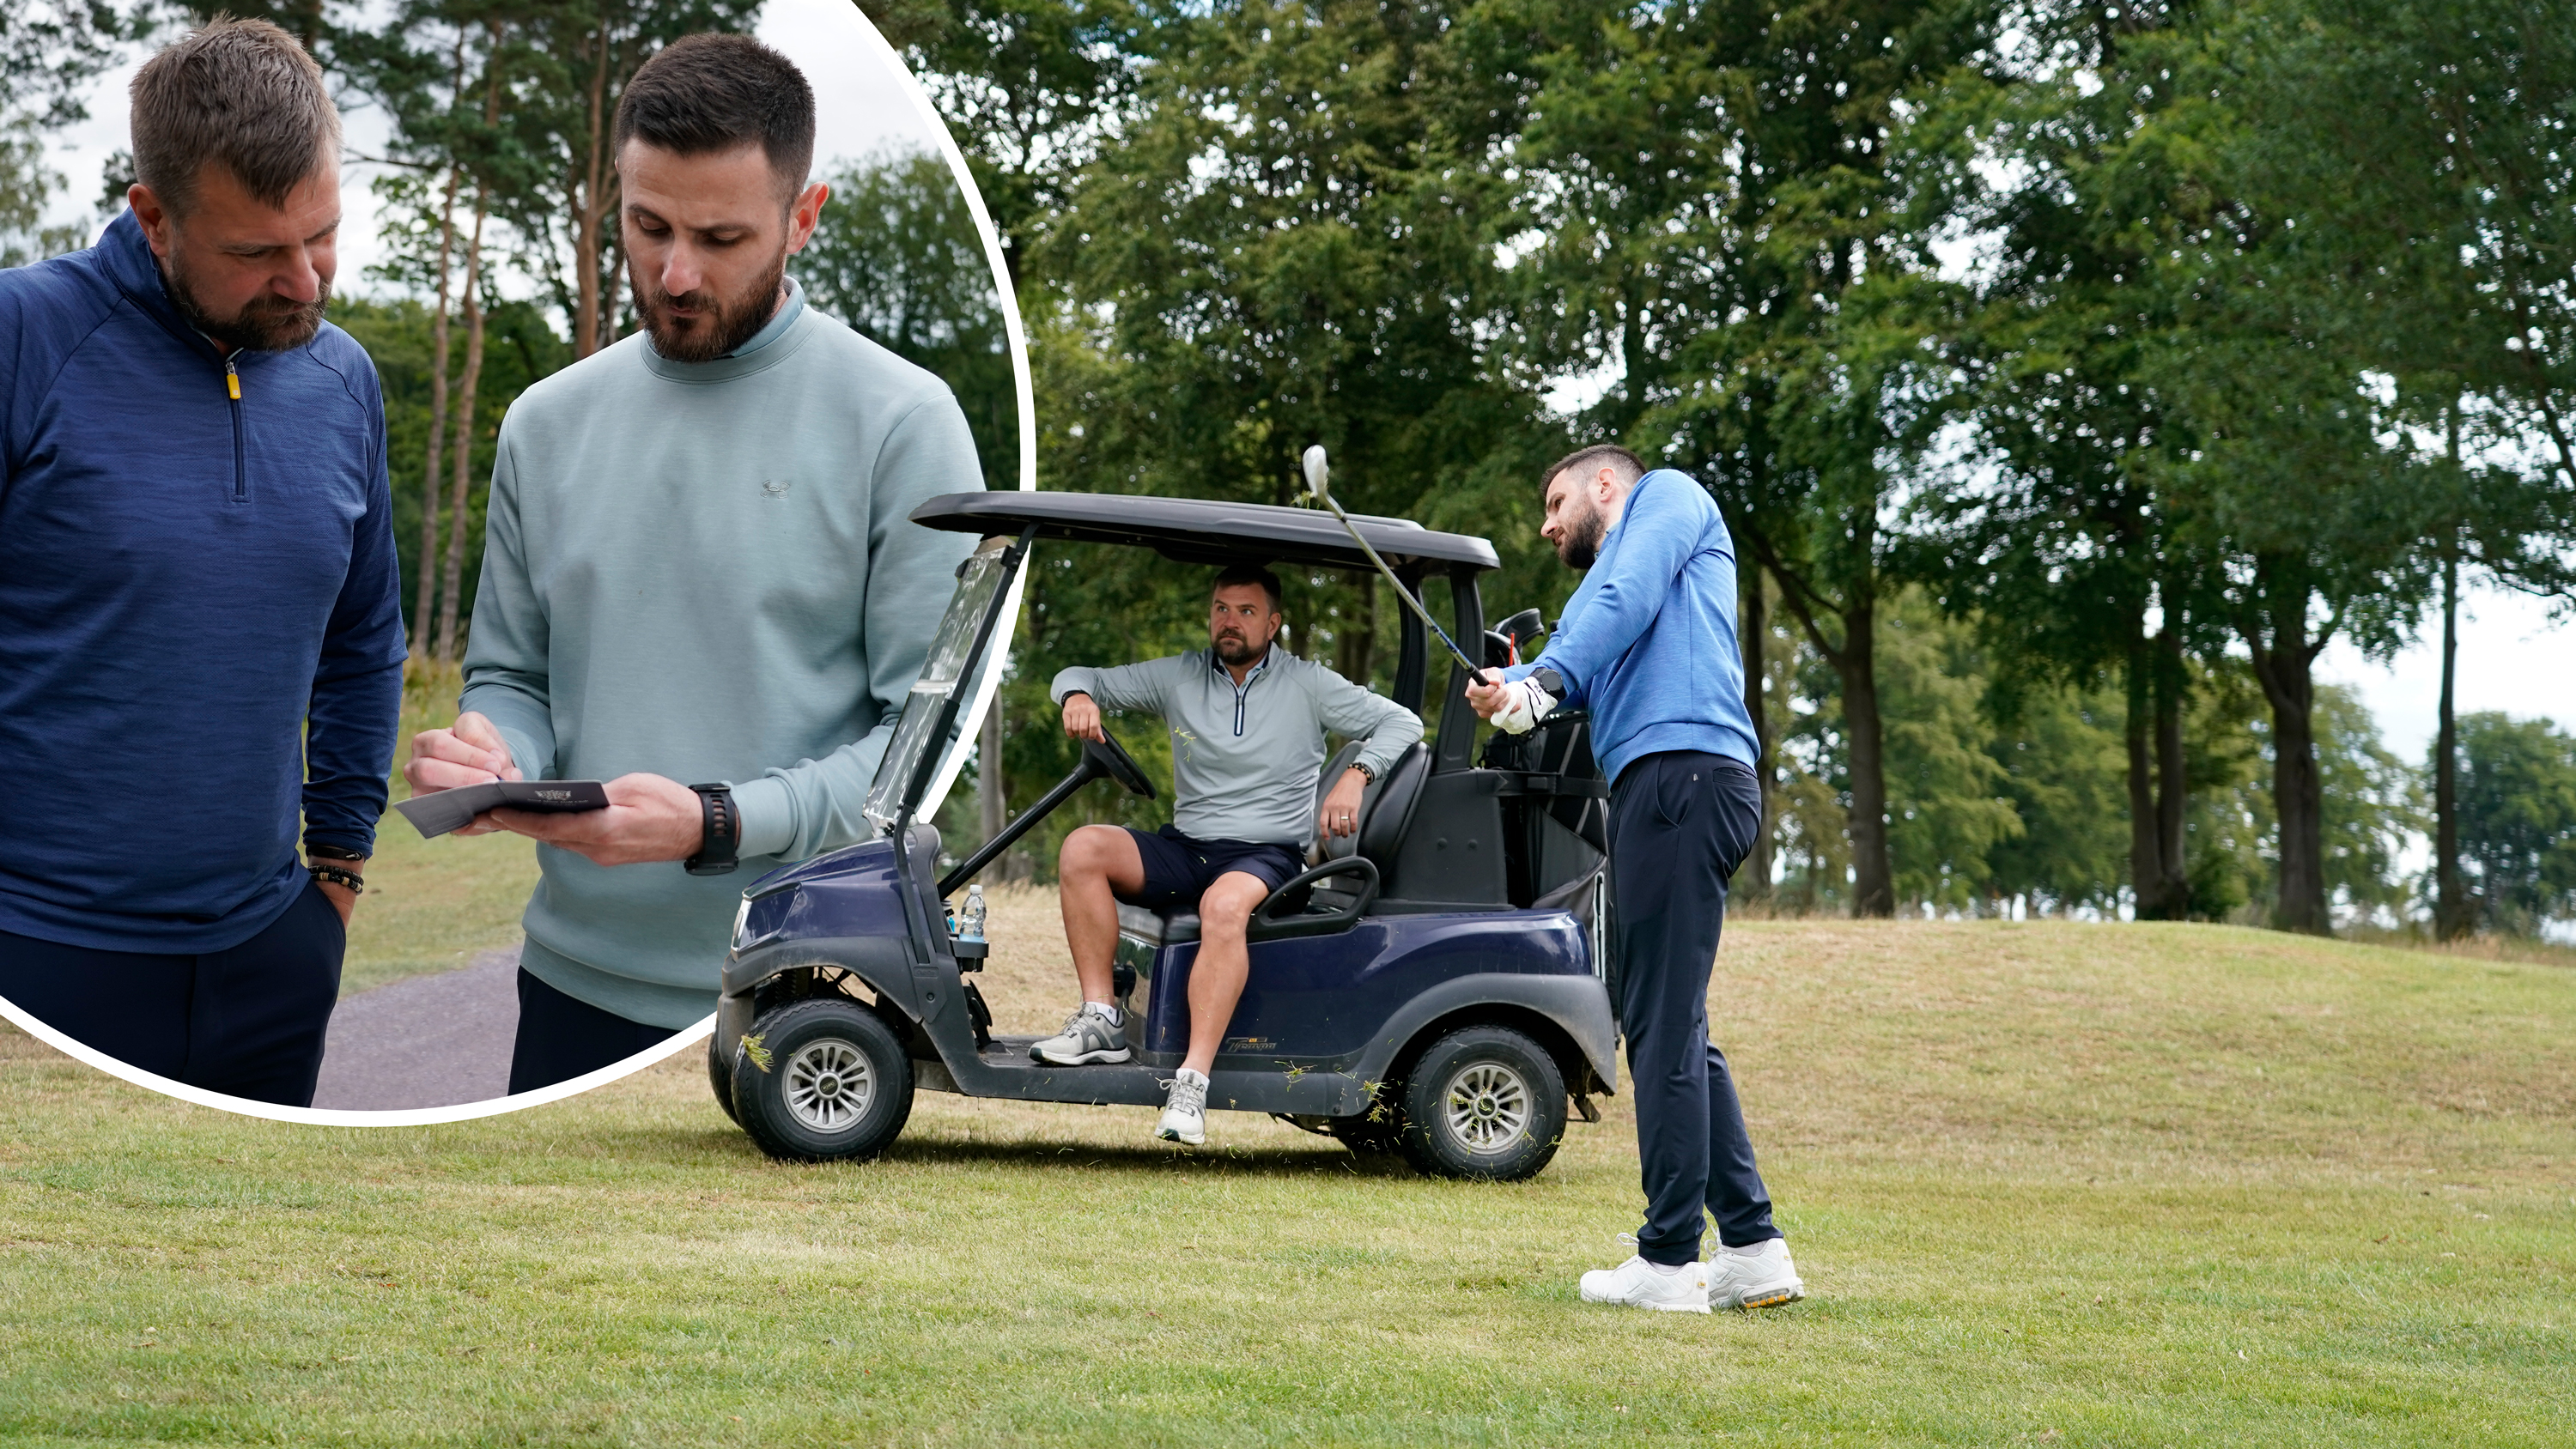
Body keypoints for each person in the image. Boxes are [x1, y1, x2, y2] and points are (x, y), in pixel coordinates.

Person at [402, 34, 981, 1094]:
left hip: (809, 998)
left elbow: (931, 753)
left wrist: (719, 820)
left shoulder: (904, 423)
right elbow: (514, 678)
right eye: (646, 225)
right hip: (568, 990)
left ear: (804, 219)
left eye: (720, 237)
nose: (674, 273)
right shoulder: (544, 423)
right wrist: (496, 751)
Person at [0, 20, 403, 1107]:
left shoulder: (341, 380)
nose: (305, 281)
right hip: (39, 960)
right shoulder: (24, 337)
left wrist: (337, 880)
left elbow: (364, 643)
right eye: (256, 255)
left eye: (321, 235)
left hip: (274, 955)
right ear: (152, 216)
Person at [1467, 444, 1804, 1313]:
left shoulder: (1666, 500)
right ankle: (1753, 1248)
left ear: (1605, 484)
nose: (1546, 522)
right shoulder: (1601, 593)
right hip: (1674, 784)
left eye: (1555, 500)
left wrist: (1542, 679)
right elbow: (1588, 654)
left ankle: (1664, 1258)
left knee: (1658, 1023)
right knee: (1673, 1020)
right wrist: (1515, 687)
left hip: (1681, 778)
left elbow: (1617, 606)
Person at [1036, 565, 1423, 1145]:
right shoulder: (1181, 677)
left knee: (1222, 907)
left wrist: (1358, 775)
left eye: (1245, 611)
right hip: (1188, 847)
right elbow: (1076, 672)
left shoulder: (1308, 683)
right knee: (1083, 848)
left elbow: (1402, 721)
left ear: (1273, 622)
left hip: (1267, 856)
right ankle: (1102, 1020)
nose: (1230, 622)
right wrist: (1077, 695)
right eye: (1221, 608)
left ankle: (1192, 1084)